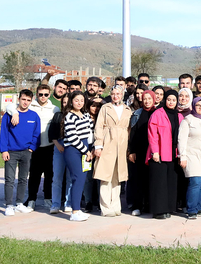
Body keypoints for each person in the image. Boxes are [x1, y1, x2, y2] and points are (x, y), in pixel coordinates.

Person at [0, 89, 41, 216]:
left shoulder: (34, 116)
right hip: (11, 152)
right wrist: (4, 150)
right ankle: (9, 205)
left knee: (23, 179)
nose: (25, 102)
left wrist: (32, 148)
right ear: (18, 99)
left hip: (26, 152)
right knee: (9, 179)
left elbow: (37, 134)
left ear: (31, 101)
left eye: (28, 100)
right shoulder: (9, 115)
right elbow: (4, 133)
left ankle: (19, 203)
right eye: (23, 99)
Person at [92, 85, 132, 217]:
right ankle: (105, 207)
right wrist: (98, 145)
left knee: (117, 177)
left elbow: (129, 129)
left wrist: (129, 148)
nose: (116, 96)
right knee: (105, 176)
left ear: (122, 95)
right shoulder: (105, 108)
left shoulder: (127, 109)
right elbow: (99, 126)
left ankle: (115, 205)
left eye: (118, 94)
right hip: (108, 142)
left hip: (122, 145)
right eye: (113, 93)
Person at [147, 90, 183, 219]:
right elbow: (152, 134)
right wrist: (155, 151)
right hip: (159, 154)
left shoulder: (179, 116)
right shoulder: (157, 114)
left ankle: (170, 208)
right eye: (169, 100)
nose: (171, 102)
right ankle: (159, 211)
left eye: (174, 100)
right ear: (165, 100)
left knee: (171, 182)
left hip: (173, 154)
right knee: (159, 184)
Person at [179, 97, 201, 219]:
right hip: (192, 155)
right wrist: (182, 156)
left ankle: (198, 207)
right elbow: (181, 140)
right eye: (198, 105)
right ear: (193, 106)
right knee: (195, 182)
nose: (200, 107)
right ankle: (191, 209)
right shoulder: (188, 120)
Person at [62, 90, 94, 222]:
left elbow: (91, 131)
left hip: (86, 149)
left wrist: (90, 149)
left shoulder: (85, 115)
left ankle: (77, 209)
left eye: (81, 100)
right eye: (76, 100)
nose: (79, 103)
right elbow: (72, 137)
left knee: (82, 179)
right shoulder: (69, 116)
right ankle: (74, 211)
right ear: (71, 101)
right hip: (73, 150)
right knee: (77, 178)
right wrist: (86, 151)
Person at [128, 90, 156, 216]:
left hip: (153, 152)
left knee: (151, 179)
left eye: (149, 98)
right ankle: (137, 206)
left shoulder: (158, 113)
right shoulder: (137, 114)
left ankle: (149, 205)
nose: (147, 101)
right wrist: (132, 151)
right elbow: (133, 134)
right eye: (145, 99)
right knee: (138, 179)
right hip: (139, 151)